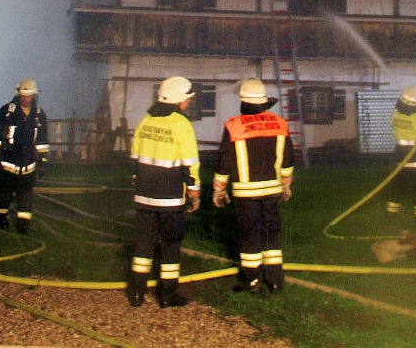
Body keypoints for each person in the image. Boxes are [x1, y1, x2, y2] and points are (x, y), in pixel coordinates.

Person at [213, 77, 295, 294]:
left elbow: (224, 161)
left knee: (249, 235)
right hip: (272, 191)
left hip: (246, 193)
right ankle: (275, 280)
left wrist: (219, 189)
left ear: (243, 101)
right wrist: (286, 185)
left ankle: (250, 280)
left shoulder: (234, 126)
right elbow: (287, 159)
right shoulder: (280, 124)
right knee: (271, 233)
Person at [126, 76, 201, 308]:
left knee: (143, 243)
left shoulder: (145, 121)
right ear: (179, 101)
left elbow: (134, 160)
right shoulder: (182, 124)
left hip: (143, 195)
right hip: (169, 198)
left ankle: (137, 293)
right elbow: (189, 164)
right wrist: (194, 192)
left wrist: (137, 184)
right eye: (187, 99)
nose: (188, 103)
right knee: (170, 244)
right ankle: (167, 296)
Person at [0, 78, 49, 233]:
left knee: (26, 196)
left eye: (28, 96)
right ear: (18, 94)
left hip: (28, 162)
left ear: (34, 95)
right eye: (22, 96)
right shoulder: (6, 111)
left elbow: (42, 141)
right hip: (8, 160)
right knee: (5, 194)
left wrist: (42, 162)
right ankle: (0, 217)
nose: (25, 99)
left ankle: (23, 226)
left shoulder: (39, 115)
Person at [387, 85, 416, 218]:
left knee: (397, 185)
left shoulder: (396, 115)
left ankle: (391, 212)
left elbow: (393, 126)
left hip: (400, 156)